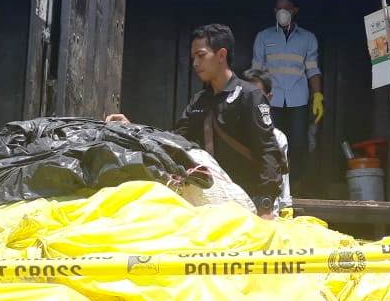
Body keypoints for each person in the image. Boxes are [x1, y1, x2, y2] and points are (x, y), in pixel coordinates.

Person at [108, 24, 282, 218]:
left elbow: (269, 151)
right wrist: (133, 129)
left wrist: (265, 207)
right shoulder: (199, 100)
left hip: (248, 205)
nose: (195, 64)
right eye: (193, 58)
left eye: (201, 55)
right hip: (210, 201)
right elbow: (174, 141)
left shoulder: (251, 96)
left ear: (221, 55)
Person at [251, 0, 322, 192]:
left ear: (295, 10)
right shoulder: (263, 37)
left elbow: (313, 70)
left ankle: (296, 186)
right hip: (271, 99)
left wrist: (318, 96)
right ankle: (272, 184)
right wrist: (256, 97)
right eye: (278, 9)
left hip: (298, 99)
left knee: (298, 144)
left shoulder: (307, 38)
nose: (282, 12)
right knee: (270, 142)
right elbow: (256, 70)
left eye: (286, 9)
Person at [243, 68, 292, 214]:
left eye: (258, 96)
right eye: (247, 96)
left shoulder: (278, 137)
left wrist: (286, 207)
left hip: (268, 213)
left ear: (269, 99)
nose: (252, 102)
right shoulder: (230, 131)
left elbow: (283, 178)